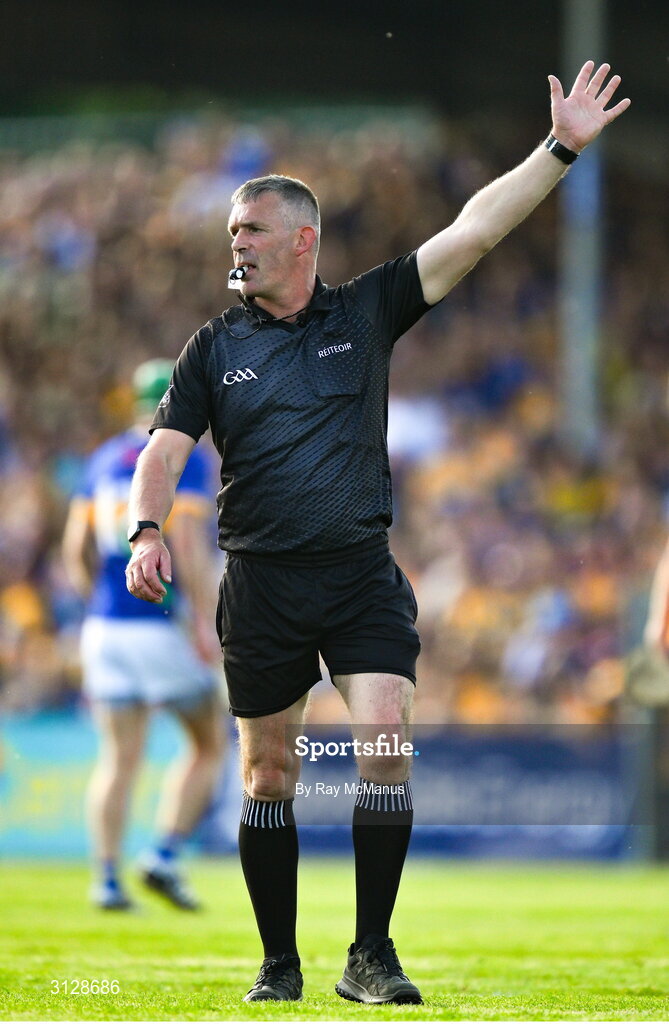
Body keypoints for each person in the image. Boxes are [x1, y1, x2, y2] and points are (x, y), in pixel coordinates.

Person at [124, 63, 629, 1002]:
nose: (234, 243)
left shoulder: (366, 310)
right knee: (269, 773)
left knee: (387, 740)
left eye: (251, 230)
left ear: (301, 240)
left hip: (359, 572)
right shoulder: (212, 346)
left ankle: (370, 956)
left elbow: (472, 231)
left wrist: (558, 149)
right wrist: (145, 530)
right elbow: (162, 450)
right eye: (231, 230)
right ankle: (279, 964)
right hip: (263, 583)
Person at [63, 359, 226, 911]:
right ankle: (162, 852)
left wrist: (96, 605)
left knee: (118, 758)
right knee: (209, 742)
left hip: (105, 628)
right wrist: (205, 622)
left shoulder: (102, 459)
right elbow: (195, 551)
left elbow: (73, 552)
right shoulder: (185, 458)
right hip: (162, 622)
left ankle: (105, 880)